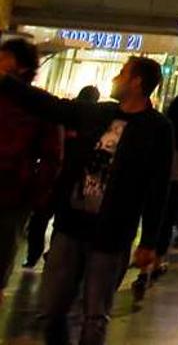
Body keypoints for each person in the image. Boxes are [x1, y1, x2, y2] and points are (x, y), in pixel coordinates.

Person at [0, 56, 172, 345]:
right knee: (52, 309)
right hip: (71, 224)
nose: (116, 78)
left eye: (122, 73)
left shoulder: (157, 128)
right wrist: (7, 83)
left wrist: (150, 241)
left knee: (95, 316)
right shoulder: (99, 113)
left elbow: (158, 187)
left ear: (137, 82)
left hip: (111, 233)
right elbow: (51, 106)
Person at [0, 39, 61, 296]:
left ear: (23, 67)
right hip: (15, 190)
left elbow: (52, 155)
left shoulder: (38, 104)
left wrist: (34, 191)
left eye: (5, 57)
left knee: (1, 250)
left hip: (12, 192)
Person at [23, 85, 96, 271]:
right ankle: (50, 254)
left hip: (54, 177)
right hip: (68, 180)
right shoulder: (90, 125)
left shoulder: (63, 119)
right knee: (59, 221)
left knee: (41, 219)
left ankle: (35, 255)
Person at [140, 96, 178, 288]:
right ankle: (157, 263)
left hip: (155, 180)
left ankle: (143, 267)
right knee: (167, 224)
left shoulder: (161, 125)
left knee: (151, 220)